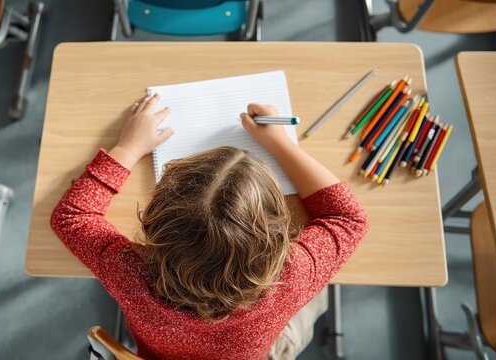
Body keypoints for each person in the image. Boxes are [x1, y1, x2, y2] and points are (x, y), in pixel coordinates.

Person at [50, 93, 368, 359]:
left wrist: (130, 146)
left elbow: (71, 216)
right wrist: (281, 144)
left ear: (156, 220)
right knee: (319, 294)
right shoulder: (290, 279)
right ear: (275, 236)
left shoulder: (129, 274)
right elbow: (349, 218)